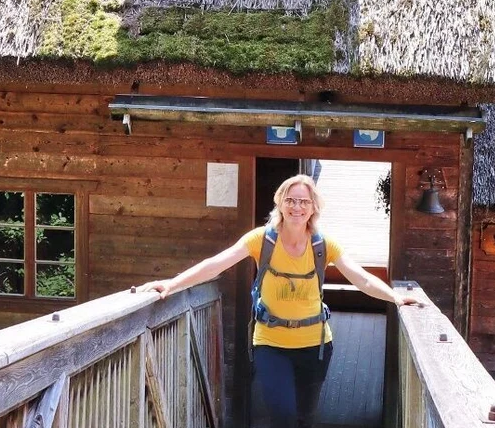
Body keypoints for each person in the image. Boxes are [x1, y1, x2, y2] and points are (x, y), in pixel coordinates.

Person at [137, 174, 422, 428]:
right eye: (291, 200)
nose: (297, 207)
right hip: (271, 344)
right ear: (280, 203)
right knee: (283, 416)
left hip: (316, 346)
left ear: (313, 208)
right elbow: (216, 264)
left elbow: (362, 278)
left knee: (304, 419)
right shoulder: (261, 240)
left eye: (304, 201)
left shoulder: (324, 245)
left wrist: (395, 297)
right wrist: (172, 284)